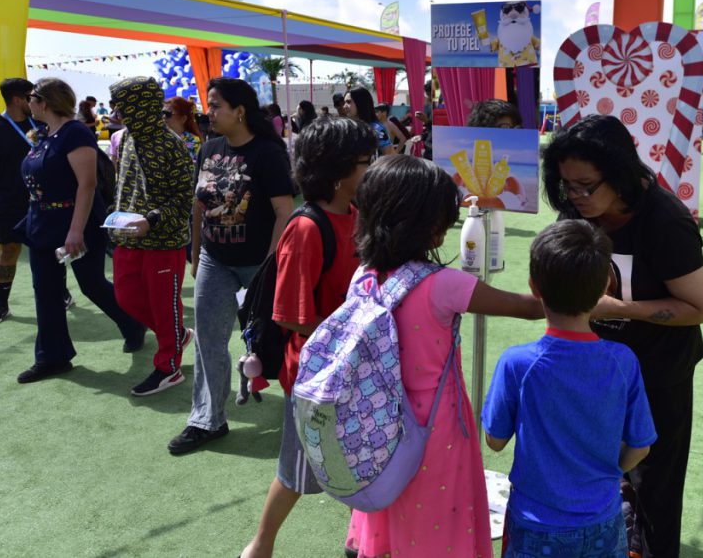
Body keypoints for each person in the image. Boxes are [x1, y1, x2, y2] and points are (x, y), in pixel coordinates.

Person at [343, 155, 543, 558]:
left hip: (381, 422)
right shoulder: (444, 284)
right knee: (436, 516)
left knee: (394, 504)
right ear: (431, 229)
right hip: (435, 428)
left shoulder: (363, 275)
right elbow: (529, 307)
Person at [542, 114, 703, 558]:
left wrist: (622, 310)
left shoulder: (665, 219)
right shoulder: (575, 211)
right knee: (593, 473)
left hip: (658, 374)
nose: (575, 197)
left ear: (618, 175)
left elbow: (698, 309)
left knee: (653, 487)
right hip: (594, 371)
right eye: (566, 187)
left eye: (586, 186)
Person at [241, 117, 378, 558]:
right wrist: (352, 331)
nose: (371, 169)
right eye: (364, 162)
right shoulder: (306, 227)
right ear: (337, 172)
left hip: (354, 369)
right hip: (316, 379)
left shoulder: (356, 214)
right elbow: (293, 317)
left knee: (368, 458)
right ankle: (260, 546)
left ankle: (363, 541)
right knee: (297, 471)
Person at [483, 219, 656, 558]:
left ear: (534, 286)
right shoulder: (623, 361)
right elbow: (641, 446)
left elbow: (495, 440)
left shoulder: (517, 363)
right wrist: (609, 472)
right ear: (606, 284)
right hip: (603, 520)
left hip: (534, 524)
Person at [168, 77, 294, 455]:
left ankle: (299, 407)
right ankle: (206, 420)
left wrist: (272, 265)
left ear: (240, 111)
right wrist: (194, 252)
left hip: (259, 263)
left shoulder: (268, 153)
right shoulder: (209, 149)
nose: (210, 112)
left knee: (273, 339)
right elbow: (198, 205)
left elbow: (283, 212)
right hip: (215, 259)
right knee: (208, 339)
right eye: (209, 104)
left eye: (217, 105)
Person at [16, 78, 143, 383]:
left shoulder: (75, 132)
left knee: (91, 284)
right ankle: (52, 358)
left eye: (31, 97)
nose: (27, 102)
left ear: (44, 101)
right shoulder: (46, 134)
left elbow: (87, 185)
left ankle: (133, 323)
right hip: (42, 224)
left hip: (76, 224)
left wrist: (75, 231)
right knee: (45, 291)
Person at [109, 77, 196, 397]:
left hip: (164, 242)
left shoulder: (172, 144)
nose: (119, 111)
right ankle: (177, 335)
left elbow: (184, 196)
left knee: (164, 306)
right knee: (126, 297)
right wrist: (115, 216)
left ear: (141, 105)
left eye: (124, 104)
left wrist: (153, 220)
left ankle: (168, 367)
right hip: (128, 238)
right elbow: (124, 184)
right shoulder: (127, 138)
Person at [0, 78, 72, 325]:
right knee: (9, 251)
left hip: (46, 200)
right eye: (31, 96)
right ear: (18, 99)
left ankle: (61, 292)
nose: (36, 100)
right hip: (10, 201)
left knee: (54, 250)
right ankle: (1, 304)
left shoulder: (42, 122)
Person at [342, 87, 393, 155]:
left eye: (348, 102)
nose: (344, 106)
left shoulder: (376, 129)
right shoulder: (347, 127)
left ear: (360, 102)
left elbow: (389, 156)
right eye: (344, 102)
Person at [163, 95, 203, 162]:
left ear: (183, 119)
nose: (163, 117)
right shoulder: (159, 138)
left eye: (167, 114)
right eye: (162, 113)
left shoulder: (193, 141)